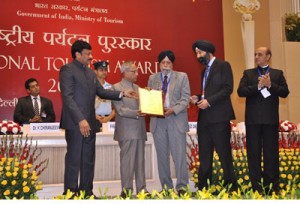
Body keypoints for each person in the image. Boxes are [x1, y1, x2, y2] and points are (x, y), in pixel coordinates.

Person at [59, 39, 137, 197]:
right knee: (74, 159)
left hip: (91, 123)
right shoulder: (67, 70)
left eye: (90, 53)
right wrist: (81, 119)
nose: (90, 56)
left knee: (88, 159)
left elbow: (101, 92)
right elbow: (68, 97)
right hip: (76, 123)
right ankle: (71, 193)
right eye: (87, 54)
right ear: (77, 54)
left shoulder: (89, 72)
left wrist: (121, 93)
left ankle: (87, 192)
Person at [237, 47, 289, 194]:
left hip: (270, 120)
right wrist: (258, 86)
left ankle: (272, 187)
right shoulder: (248, 73)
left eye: (260, 54)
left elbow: (285, 92)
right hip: (253, 120)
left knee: (271, 154)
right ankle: (256, 188)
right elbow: (240, 92)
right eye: (255, 54)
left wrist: (270, 85)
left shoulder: (277, 74)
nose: (256, 57)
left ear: (268, 56)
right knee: (253, 154)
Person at [190, 40, 237, 191]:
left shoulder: (223, 66)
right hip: (204, 120)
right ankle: (204, 190)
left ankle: (232, 189)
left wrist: (208, 101)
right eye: (196, 53)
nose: (198, 56)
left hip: (219, 119)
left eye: (200, 53)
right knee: (204, 157)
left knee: (224, 156)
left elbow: (227, 89)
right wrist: (198, 97)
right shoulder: (204, 71)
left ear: (208, 51)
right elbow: (206, 92)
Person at [147, 50, 190, 195]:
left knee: (179, 155)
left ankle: (182, 186)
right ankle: (166, 187)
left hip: (176, 119)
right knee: (162, 156)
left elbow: (185, 99)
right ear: (159, 64)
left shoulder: (182, 77)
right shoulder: (153, 78)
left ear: (172, 64)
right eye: (163, 62)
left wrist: (173, 109)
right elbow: (150, 98)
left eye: (168, 62)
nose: (166, 65)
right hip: (158, 121)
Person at [112, 61, 148, 198]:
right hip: (127, 130)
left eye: (137, 71)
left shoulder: (139, 88)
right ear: (125, 72)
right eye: (134, 71)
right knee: (127, 162)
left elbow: (146, 106)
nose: (137, 74)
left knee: (140, 162)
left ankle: (142, 190)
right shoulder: (116, 88)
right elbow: (120, 110)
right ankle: (126, 191)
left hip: (139, 129)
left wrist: (149, 97)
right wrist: (136, 113)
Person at [93, 61, 115, 132]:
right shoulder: (90, 87)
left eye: (105, 70)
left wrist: (108, 118)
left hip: (108, 119)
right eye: (101, 70)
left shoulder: (111, 87)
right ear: (95, 71)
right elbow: (85, 105)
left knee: (109, 142)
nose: (104, 72)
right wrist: (97, 117)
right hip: (94, 118)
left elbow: (117, 106)